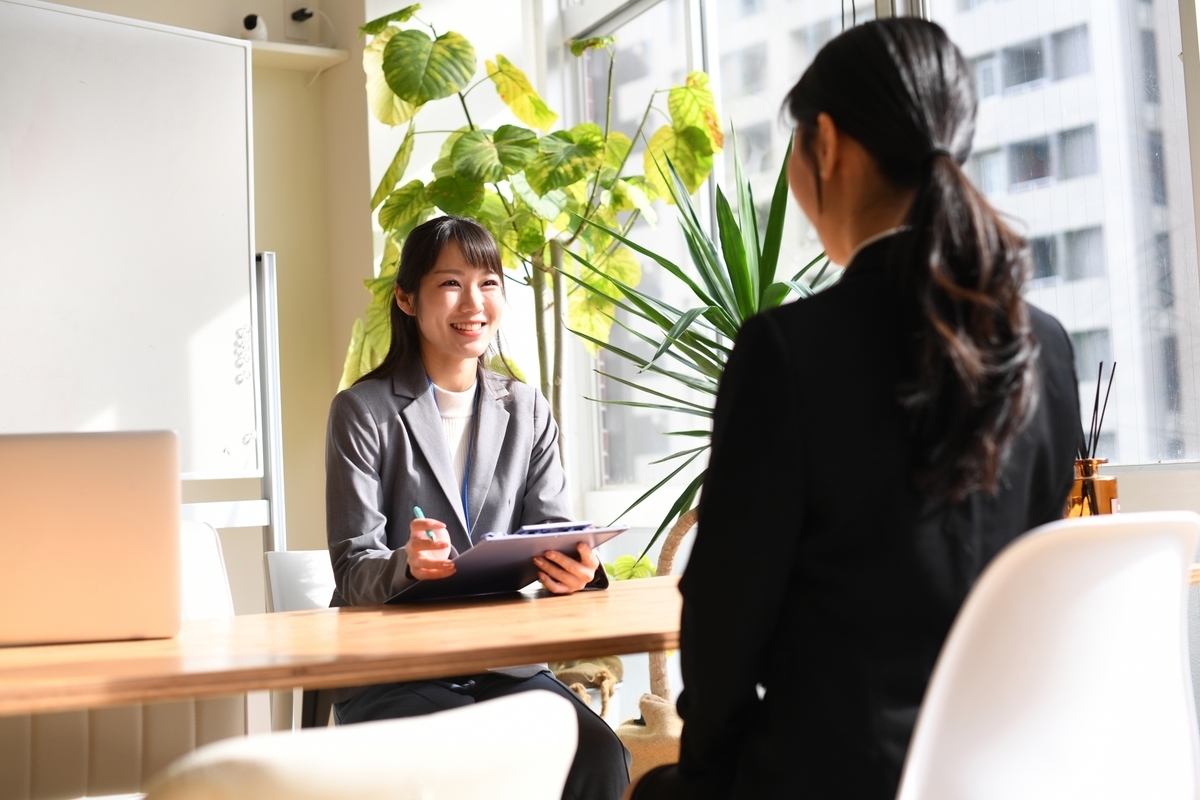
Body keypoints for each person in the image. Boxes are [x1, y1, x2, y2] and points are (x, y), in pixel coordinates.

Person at [630, 18, 1081, 800]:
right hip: (1005, 773)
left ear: (827, 145)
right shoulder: (1045, 346)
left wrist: (707, 769)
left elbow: (726, 620)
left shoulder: (787, 352)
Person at [325, 214, 630, 800]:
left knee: (599, 753)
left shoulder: (527, 407)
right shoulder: (362, 413)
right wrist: (407, 564)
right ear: (407, 299)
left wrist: (576, 570)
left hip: (504, 667)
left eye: (489, 282)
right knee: (464, 770)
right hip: (397, 673)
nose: (474, 302)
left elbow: (553, 532)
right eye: (450, 284)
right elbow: (352, 567)